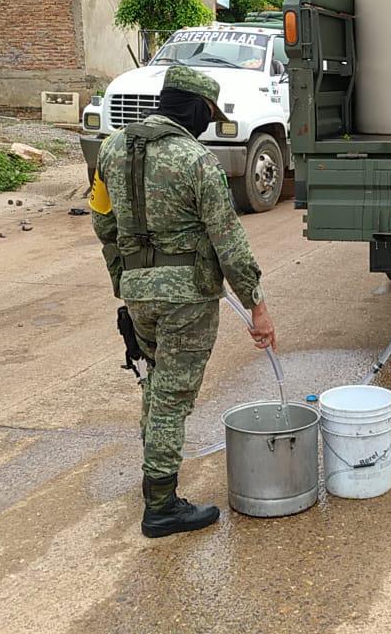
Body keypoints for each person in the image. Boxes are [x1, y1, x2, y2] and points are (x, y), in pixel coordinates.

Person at [90, 65, 276, 538]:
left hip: (138, 293)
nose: (208, 124)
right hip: (186, 300)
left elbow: (103, 223)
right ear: (196, 109)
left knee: (156, 385)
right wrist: (256, 305)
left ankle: (154, 479)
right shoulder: (197, 161)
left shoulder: (112, 149)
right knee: (172, 398)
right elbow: (229, 241)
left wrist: (124, 282)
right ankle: (161, 506)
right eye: (209, 114)